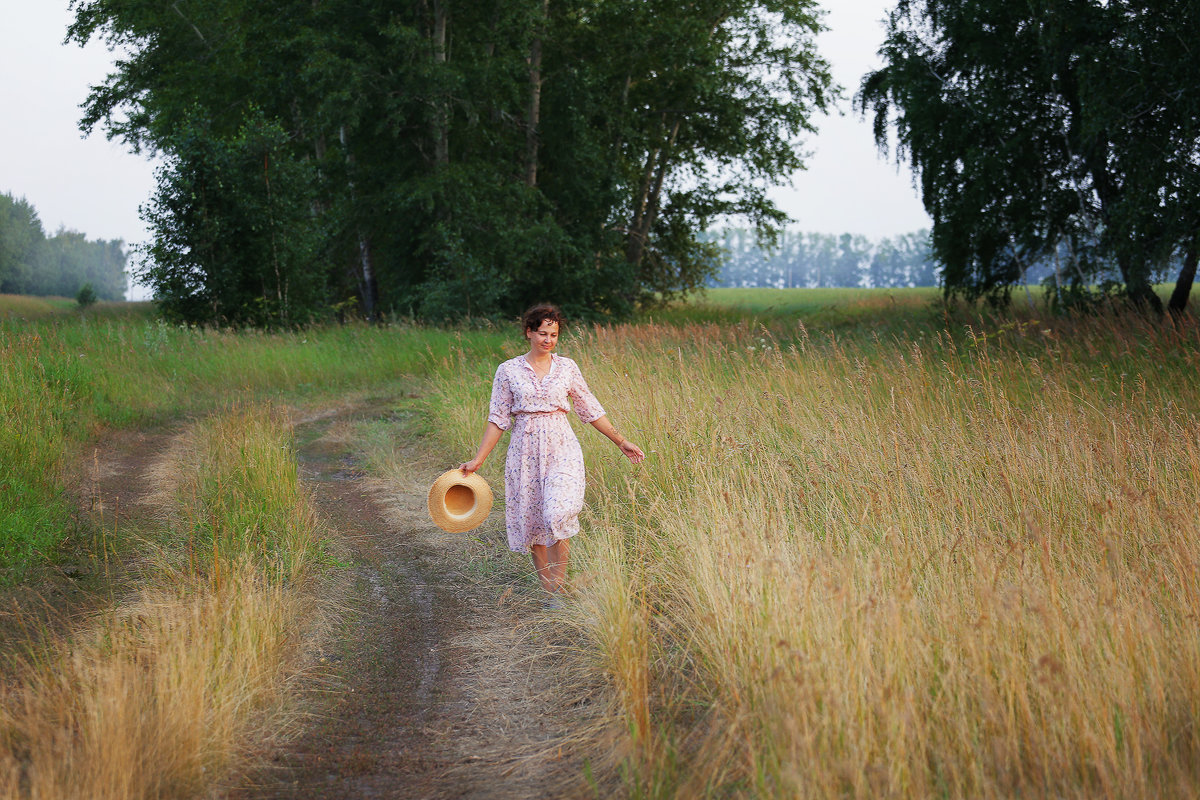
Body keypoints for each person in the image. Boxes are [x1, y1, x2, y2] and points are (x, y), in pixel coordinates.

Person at [460, 304, 645, 600]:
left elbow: (589, 407)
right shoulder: (507, 370)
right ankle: (551, 591)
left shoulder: (567, 367)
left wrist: (620, 440)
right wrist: (478, 459)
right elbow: (498, 418)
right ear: (529, 332)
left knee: (558, 512)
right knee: (534, 519)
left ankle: (560, 583)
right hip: (525, 449)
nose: (548, 340)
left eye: (554, 334)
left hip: (562, 445)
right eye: (543, 333)